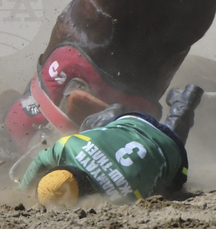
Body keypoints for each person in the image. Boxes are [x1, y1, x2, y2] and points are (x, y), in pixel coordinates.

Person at [18, 85, 203, 207]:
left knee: (173, 185)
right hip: (132, 120)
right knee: (92, 131)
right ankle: (113, 110)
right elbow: (41, 160)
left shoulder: (119, 199)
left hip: (167, 145)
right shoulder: (68, 146)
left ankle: (184, 105)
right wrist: (23, 190)